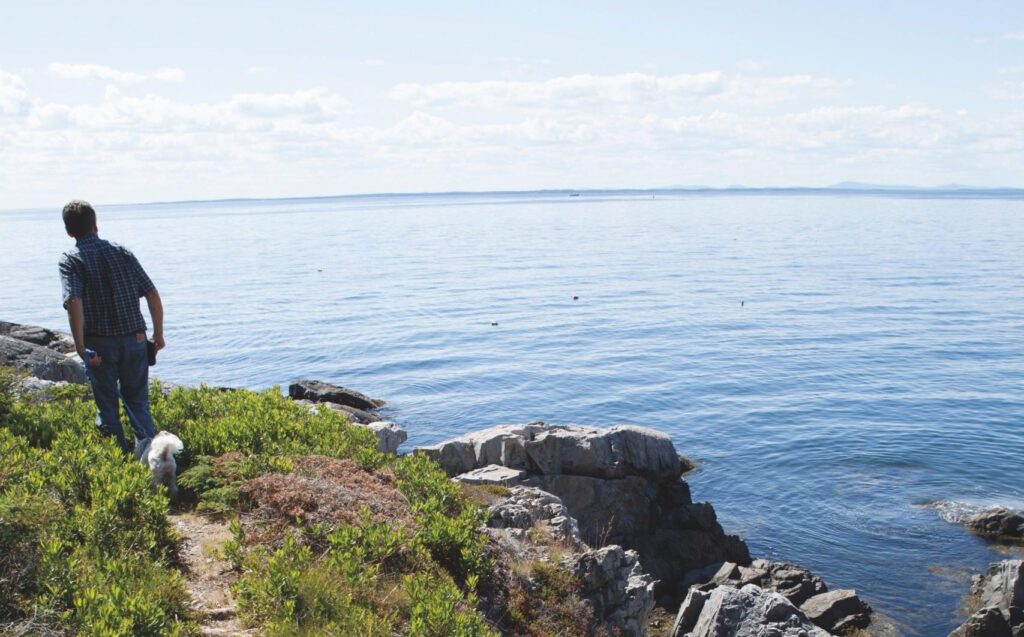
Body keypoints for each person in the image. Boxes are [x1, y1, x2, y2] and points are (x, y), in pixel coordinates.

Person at [58, 200, 165, 452]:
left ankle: (120, 465)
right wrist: (157, 333)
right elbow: (152, 293)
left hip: (99, 346)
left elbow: (74, 301)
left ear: (69, 231)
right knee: (138, 404)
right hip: (136, 340)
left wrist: (81, 347)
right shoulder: (122, 253)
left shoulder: (71, 260)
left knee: (108, 408)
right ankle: (153, 466)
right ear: (96, 224)